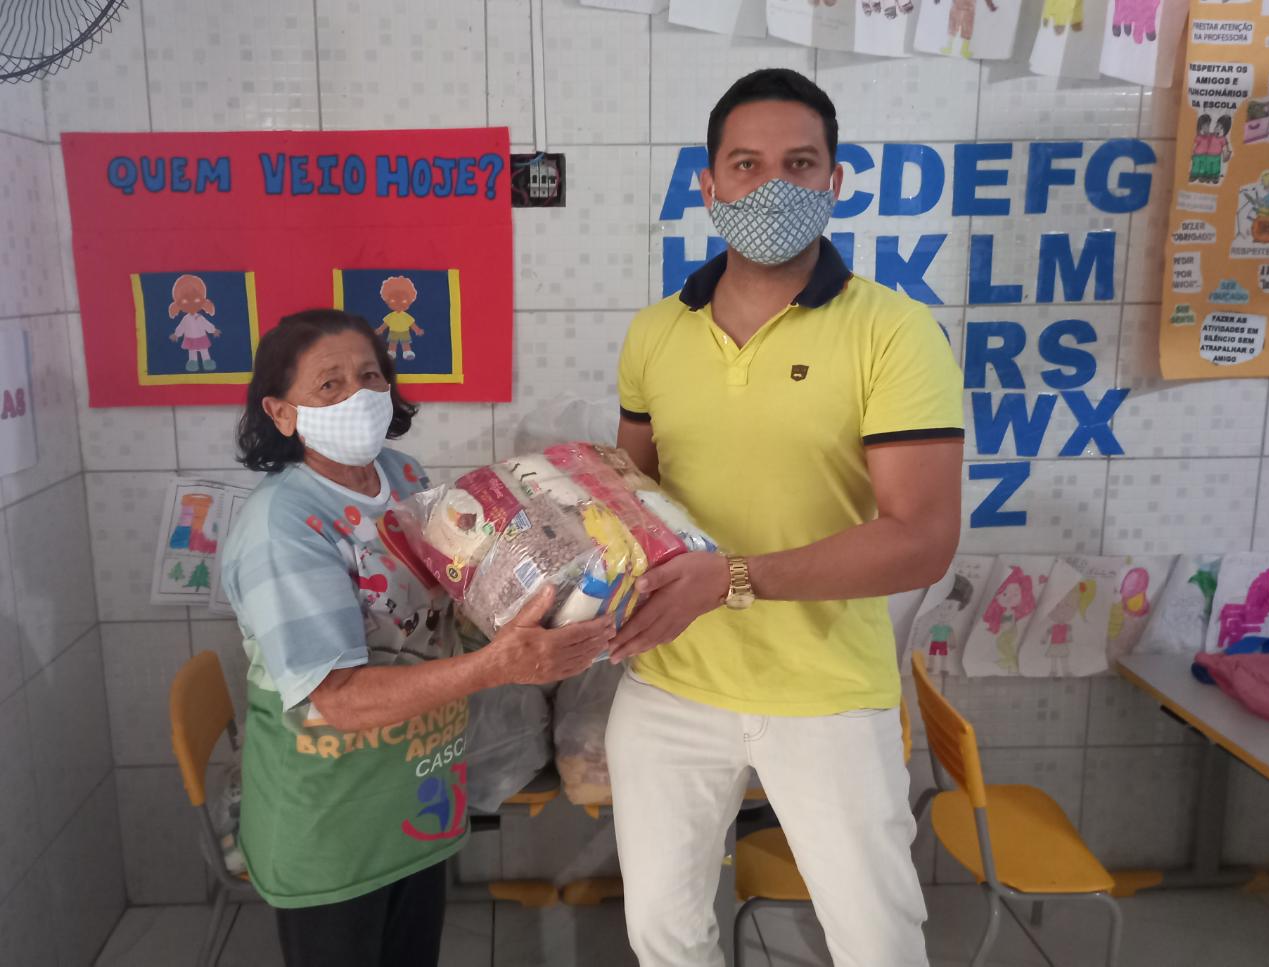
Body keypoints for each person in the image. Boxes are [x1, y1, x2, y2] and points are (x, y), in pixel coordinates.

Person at [604, 69, 964, 967]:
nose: (772, 186)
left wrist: (731, 578)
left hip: (827, 691)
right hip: (671, 687)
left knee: (879, 945)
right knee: (663, 933)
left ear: (835, 181)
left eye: (799, 164)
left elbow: (921, 538)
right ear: (708, 184)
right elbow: (631, 502)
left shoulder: (894, 331)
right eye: (747, 164)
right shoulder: (655, 333)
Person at [220, 309, 613, 967]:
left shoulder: (401, 477)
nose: (359, 395)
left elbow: (451, 593)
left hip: (416, 800)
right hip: (333, 827)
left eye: (371, 376)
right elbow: (338, 699)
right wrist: (498, 665)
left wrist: (548, 588)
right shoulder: (283, 526)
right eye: (330, 384)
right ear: (281, 412)